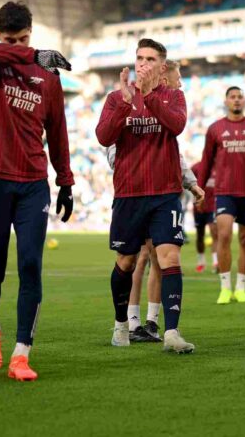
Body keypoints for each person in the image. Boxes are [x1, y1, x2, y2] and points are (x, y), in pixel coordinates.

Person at [0, 1, 75, 382]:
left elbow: (58, 129)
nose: (17, 45)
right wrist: (30, 53)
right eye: (10, 40)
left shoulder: (47, 75)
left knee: (30, 264)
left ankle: (21, 354)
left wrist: (66, 180)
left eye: (24, 39)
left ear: (32, 32)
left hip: (32, 182)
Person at [96, 38, 195, 354]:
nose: (143, 64)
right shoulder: (116, 98)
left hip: (165, 193)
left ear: (161, 67)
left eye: (150, 59)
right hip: (129, 194)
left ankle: (172, 332)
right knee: (125, 262)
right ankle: (121, 324)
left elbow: (176, 125)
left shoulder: (174, 96)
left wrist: (149, 96)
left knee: (170, 257)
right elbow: (103, 136)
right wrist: (126, 102)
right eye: (139, 58)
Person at [195, 86, 245, 304]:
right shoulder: (215, 129)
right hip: (224, 193)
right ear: (226, 101)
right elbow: (206, 161)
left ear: (244, 101)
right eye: (232, 97)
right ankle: (225, 287)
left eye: (239, 97)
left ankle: (241, 287)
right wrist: (200, 189)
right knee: (223, 235)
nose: (236, 100)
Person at [190, 163, 217, 273]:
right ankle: (201, 262)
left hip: (213, 207)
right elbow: (188, 184)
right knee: (200, 235)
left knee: (215, 233)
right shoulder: (196, 167)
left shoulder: (218, 167)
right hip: (198, 206)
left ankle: (216, 262)